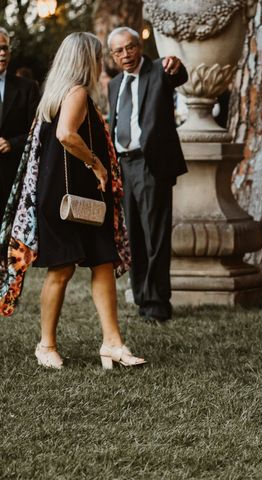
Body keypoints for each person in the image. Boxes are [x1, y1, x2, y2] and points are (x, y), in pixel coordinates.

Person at [0, 32, 145, 369]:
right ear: (86, 60)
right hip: (67, 199)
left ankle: (113, 343)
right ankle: (45, 345)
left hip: (76, 197)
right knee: (62, 269)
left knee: (102, 262)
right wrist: (96, 163)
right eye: (98, 56)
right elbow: (67, 134)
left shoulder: (57, 93)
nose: (101, 62)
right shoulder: (77, 92)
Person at [107, 27, 188, 322]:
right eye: (119, 51)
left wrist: (177, 67)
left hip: (152, 165)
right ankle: (141, 296)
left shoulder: (158, 71)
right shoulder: (115, 84)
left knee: (155, 234)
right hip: (124, 166)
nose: (126, 55)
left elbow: (179, 76)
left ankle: (157, 303)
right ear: (113, 55)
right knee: (135, 235)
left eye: (130, 47)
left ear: (140, 47)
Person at [0, 28, 39, 218]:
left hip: (14, 179)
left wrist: (12, 143)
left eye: (5, 48)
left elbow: (38, 131)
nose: (2, 53)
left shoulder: (27, 88)